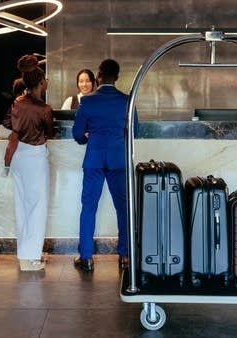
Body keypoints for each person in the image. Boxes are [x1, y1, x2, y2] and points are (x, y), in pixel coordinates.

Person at [72, 59, 139, 272]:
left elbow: (76, 133)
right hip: (118, 160)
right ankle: (125, 256)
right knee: (123, 209)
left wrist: (87, 139)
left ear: (98, 76)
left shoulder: (87, 101)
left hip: (94, 161)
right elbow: (134, 131)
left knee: (89, 208)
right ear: (117, 77)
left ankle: (86, 257)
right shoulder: (127, 101)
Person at [4, 54, 54, 271]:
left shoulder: (16, 103)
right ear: (41, 82)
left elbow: (8, 124)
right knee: (37, 207)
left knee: (22, 205)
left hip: (18, 158)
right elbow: (50, 131)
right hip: (35, 157)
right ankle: (31, 258)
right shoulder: (44, 109)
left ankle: (24, 255)